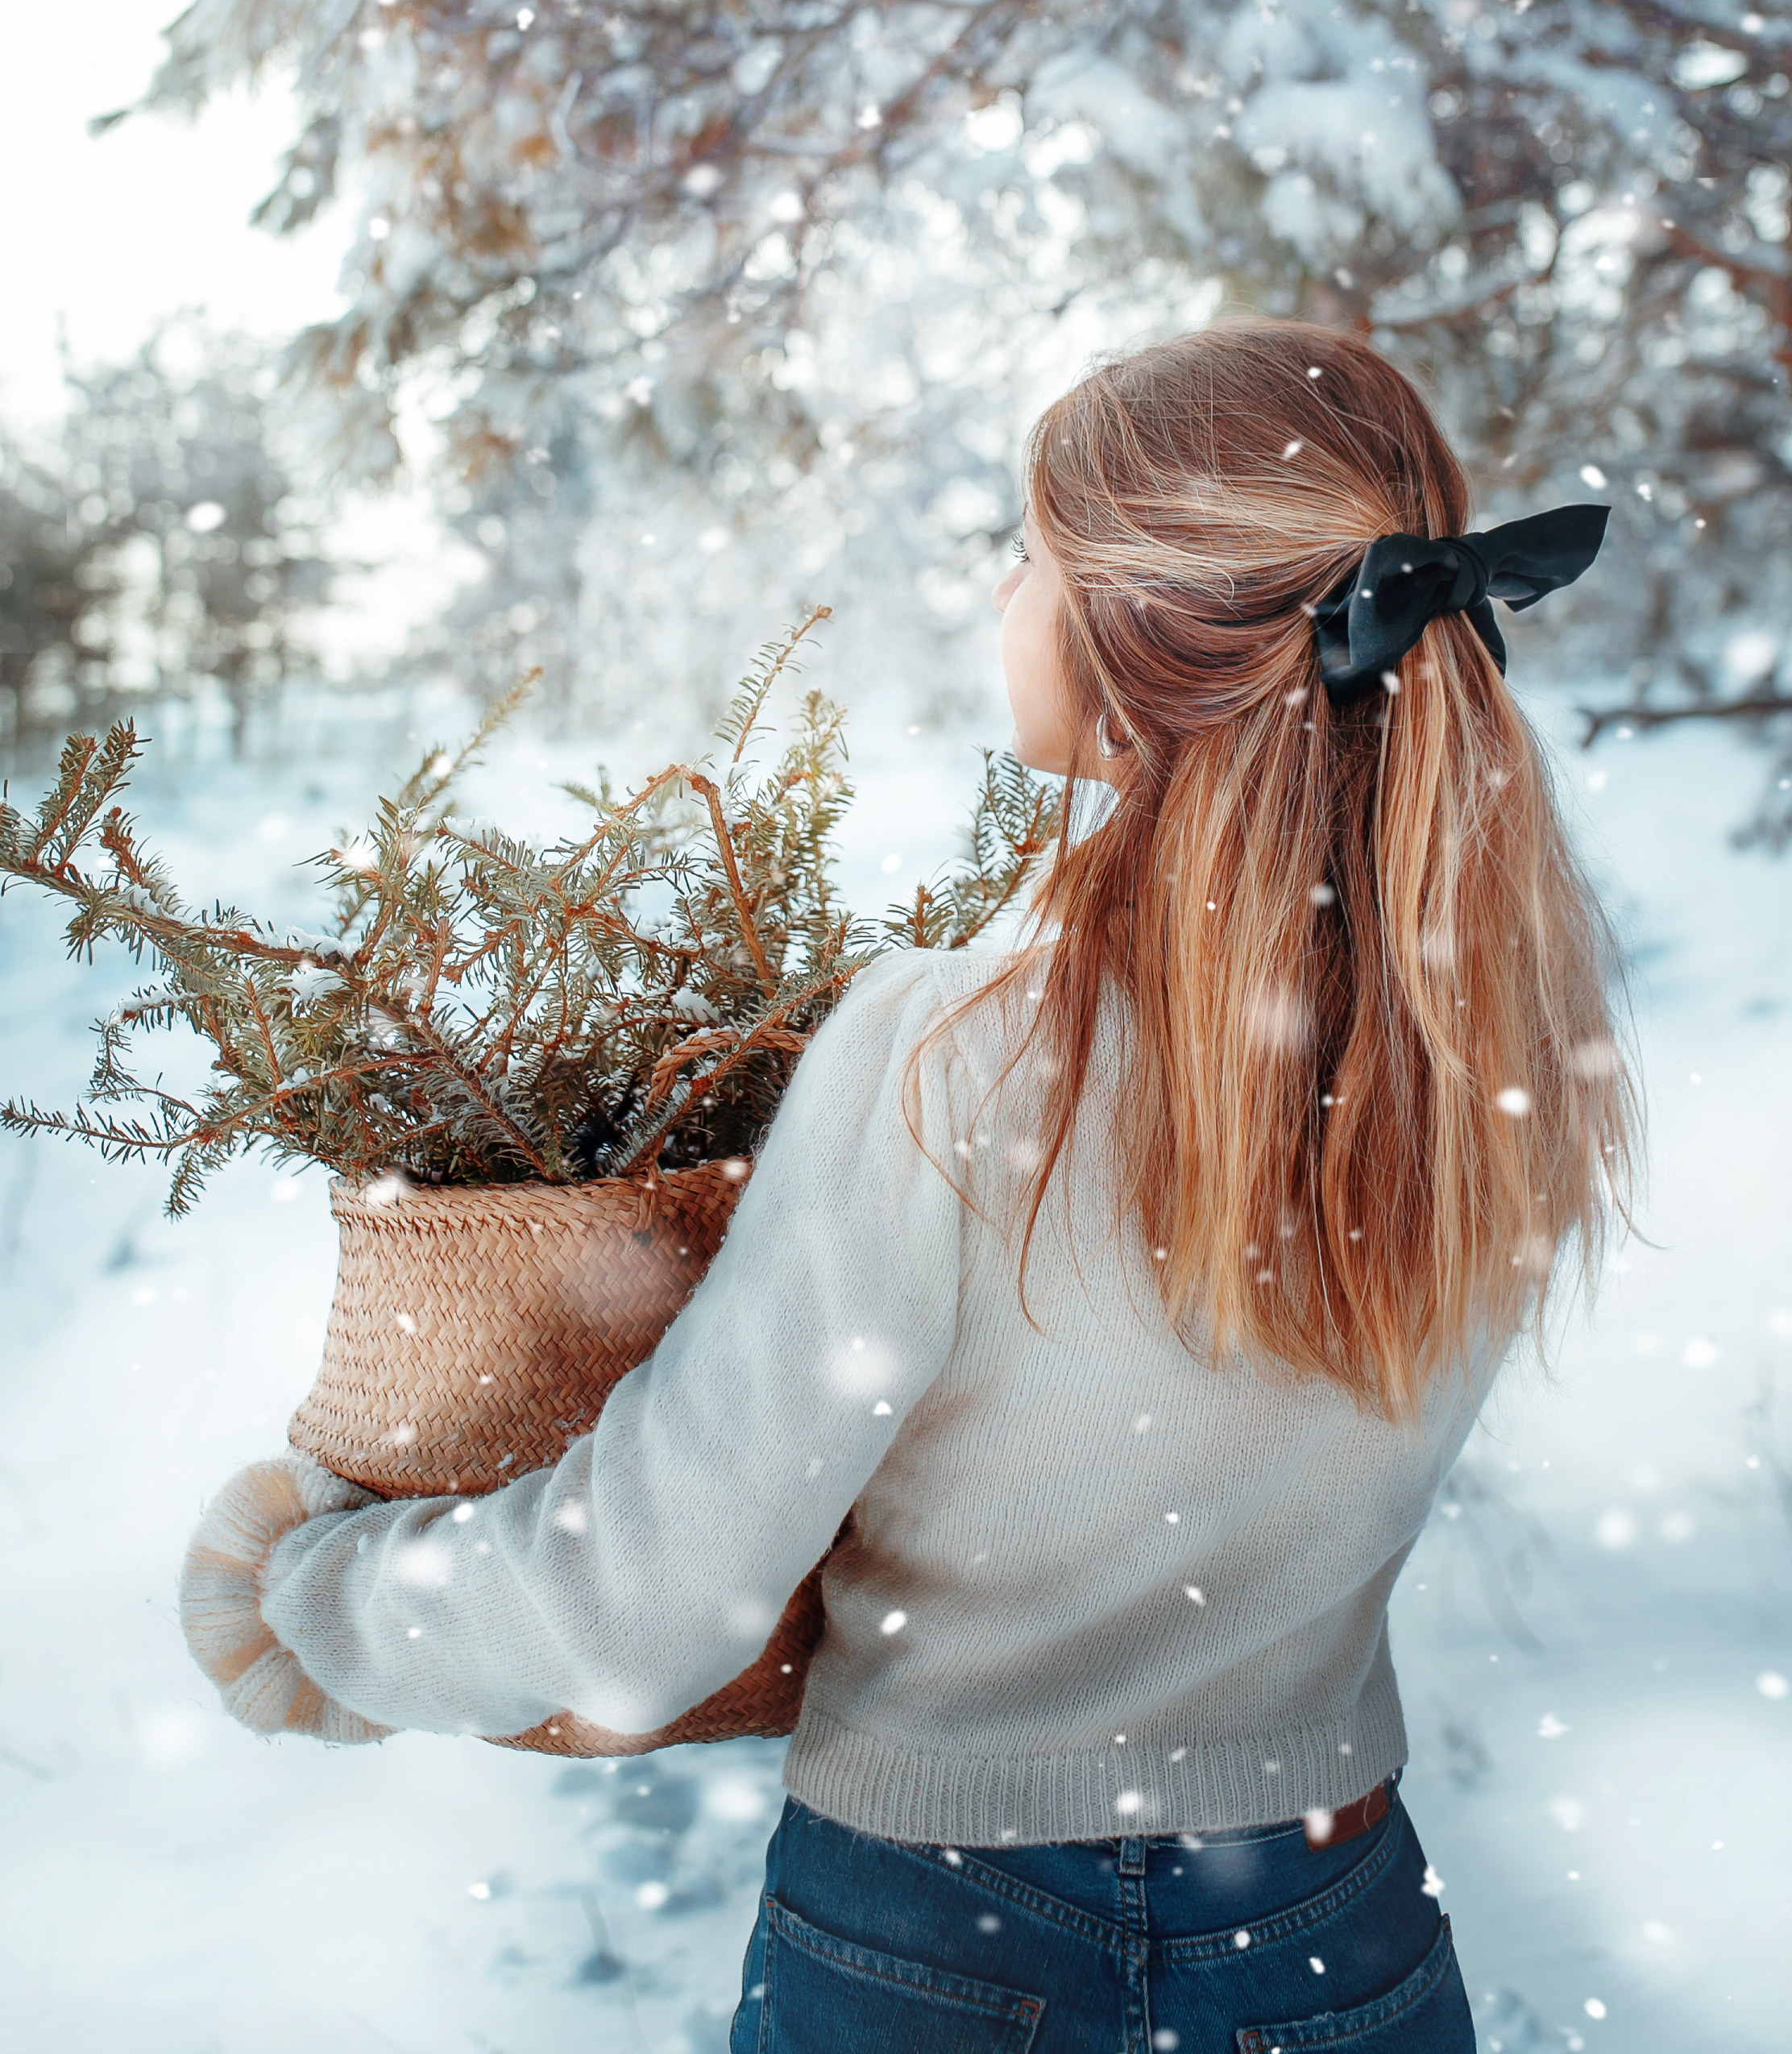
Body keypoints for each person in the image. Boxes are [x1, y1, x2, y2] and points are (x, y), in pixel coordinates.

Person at [184, 322, 1635, 2051]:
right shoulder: (1483, 1051)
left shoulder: (959, 1052)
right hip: (1336, 1928)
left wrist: (318, 1598)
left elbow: (643, 1602)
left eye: (1030, 552)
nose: (1005, 590)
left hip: (942, 1939)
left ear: (1134, 625)